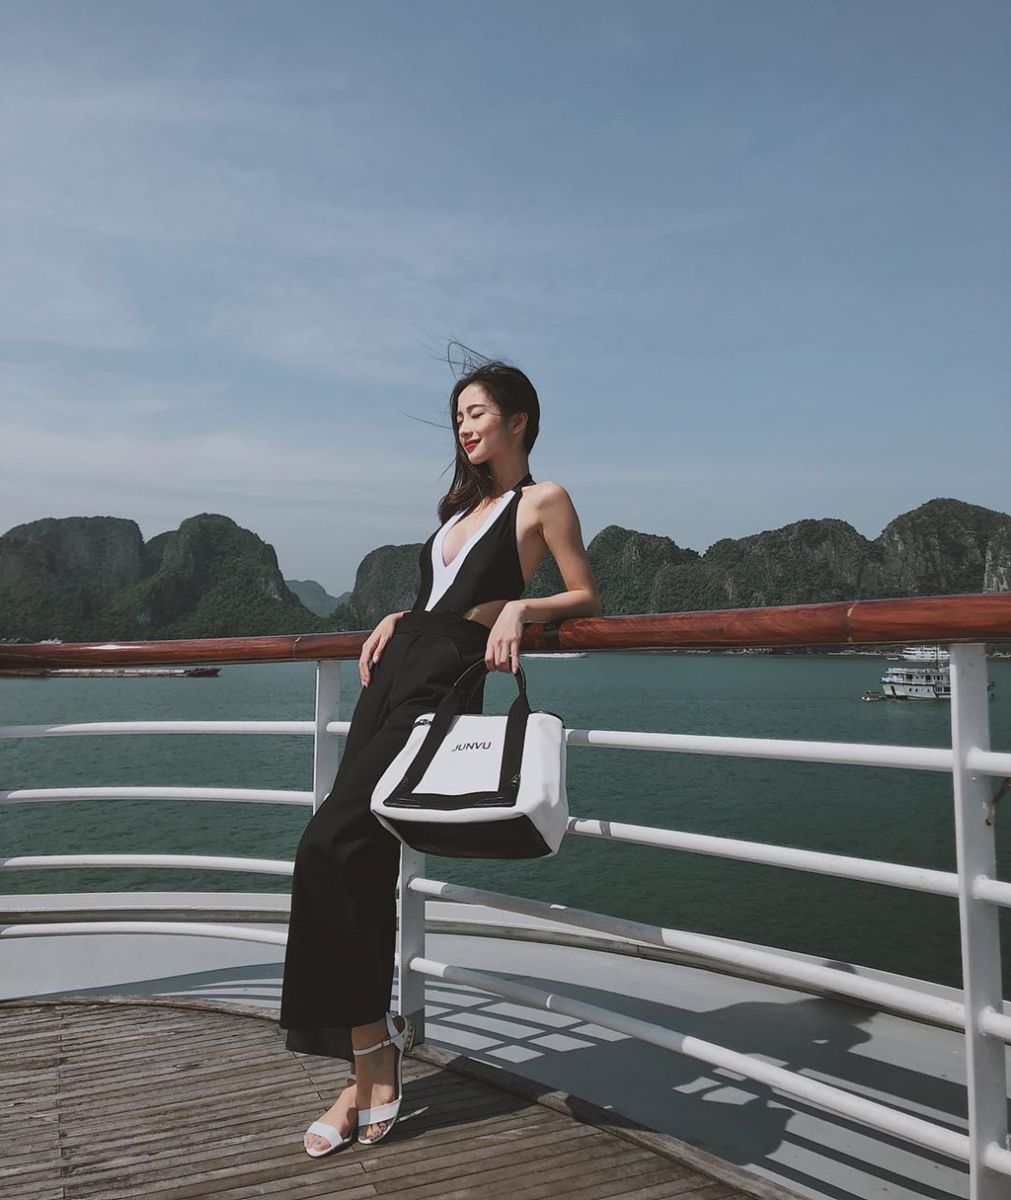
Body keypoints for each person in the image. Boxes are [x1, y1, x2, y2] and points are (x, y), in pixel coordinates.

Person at [279, 355, 601, 1153]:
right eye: (458, 416)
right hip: (398, 663)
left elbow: (585, 595)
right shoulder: (460, 508)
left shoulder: (542, 500)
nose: (464, 427)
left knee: (329, 844)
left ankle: (371, 1054)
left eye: (477, 412)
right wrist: (398, 614)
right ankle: (366, 1059)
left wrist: (522, 608)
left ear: (518, 420)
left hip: (444, 678)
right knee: (355, 857)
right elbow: (439, 594)